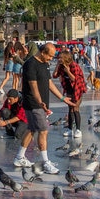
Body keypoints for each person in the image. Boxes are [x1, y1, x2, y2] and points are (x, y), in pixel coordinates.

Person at [15, 42, 67, 174]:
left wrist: (62, 98)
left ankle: (19, 157)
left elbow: (49, 82)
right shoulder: (30, 64)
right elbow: (33, 86)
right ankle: (45, 163)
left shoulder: (45, 63)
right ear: (43, 52)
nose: (51, 59)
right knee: (43, 131)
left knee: (32, 129)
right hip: (34, 104)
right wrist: (40, 103)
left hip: (40, 104)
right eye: (50, 56)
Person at [53, 50, 85, 139]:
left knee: (75, 108)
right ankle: (70, 129)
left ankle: (78, 130)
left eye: (60, 58)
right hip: (69, 89)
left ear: (65, 58)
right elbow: (54, 75)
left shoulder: (74, 65)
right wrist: (57, 65)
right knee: (70, 109)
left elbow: (75, 79)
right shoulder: (61, 66)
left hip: (77, 89)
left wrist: (68, 71)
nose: (59, 59)